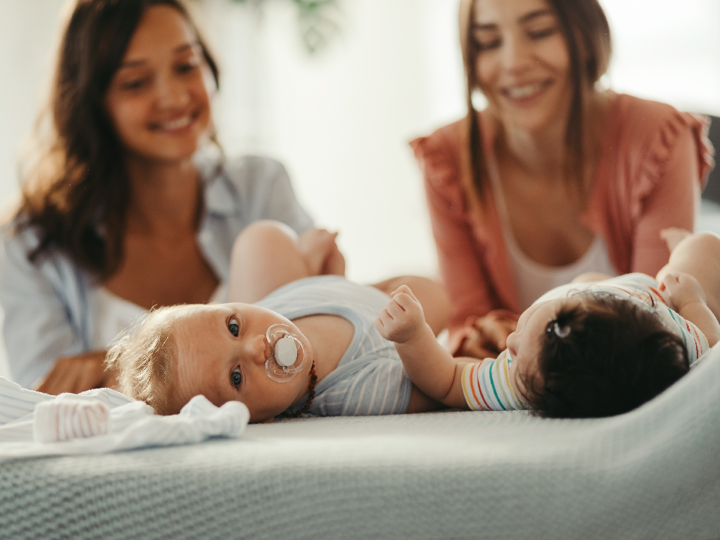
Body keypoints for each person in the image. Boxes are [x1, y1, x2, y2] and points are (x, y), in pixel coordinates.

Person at [0, 0, 336, 394]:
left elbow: (324, 332)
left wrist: (113, 367)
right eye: (136, 82)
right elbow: (41, 399)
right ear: (93, 104)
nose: (174, 97)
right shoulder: (30, 244)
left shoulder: (259, 187)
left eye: (186, 66)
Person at [410, 0, 715, 360]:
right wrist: (480, 335)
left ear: (585, 36)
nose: (513, 63)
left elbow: (658, 320)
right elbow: (467, 324)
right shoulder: (446, 160)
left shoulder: (660, 138)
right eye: (488, 43)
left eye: (539, 32)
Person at [105, 220, 450, 423]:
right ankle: (342, 284)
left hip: (292, 294)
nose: (257, 345)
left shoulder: (268, 315)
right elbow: (439, 386)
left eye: (233, 327)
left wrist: (327, 288)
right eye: (236, 376)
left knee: (261, 238)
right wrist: (414, 335)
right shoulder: (358, 391)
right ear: (260, 419)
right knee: (434, 296)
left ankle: (328, 280)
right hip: (387, 322)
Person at [376, 228, 720, 418]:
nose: (509, 346)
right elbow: (710, 337)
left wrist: (412, 336)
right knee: (700, 254)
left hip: (593, 288)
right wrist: (690, 300)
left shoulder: (519, 381)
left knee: (593, 276)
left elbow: (447, 380)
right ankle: (685, 246)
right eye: (520, 347)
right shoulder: (670, 336)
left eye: (516, 355)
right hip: (652, 295)